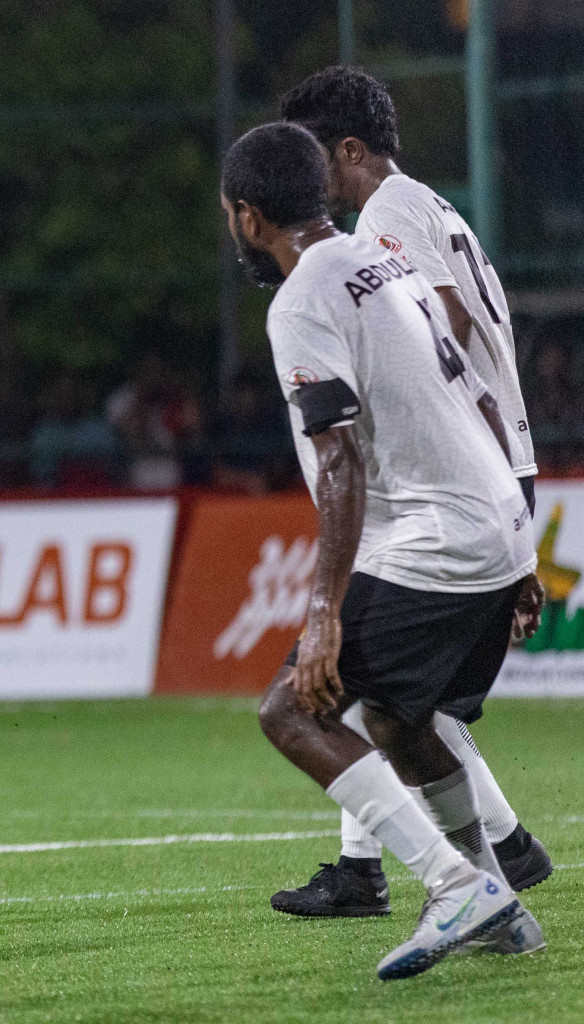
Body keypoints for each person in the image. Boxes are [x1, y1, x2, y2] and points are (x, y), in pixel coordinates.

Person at [223, 122, 546, 979]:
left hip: (438, 538)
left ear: (249, 217)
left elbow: (337, 462)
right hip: (496, 522)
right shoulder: (388, 262)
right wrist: (520, 542)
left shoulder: (300, 299)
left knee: (293, 710)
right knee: (400, 717)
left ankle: (454, 886)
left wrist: (323, 611)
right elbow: (474, 388)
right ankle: (494, 892)